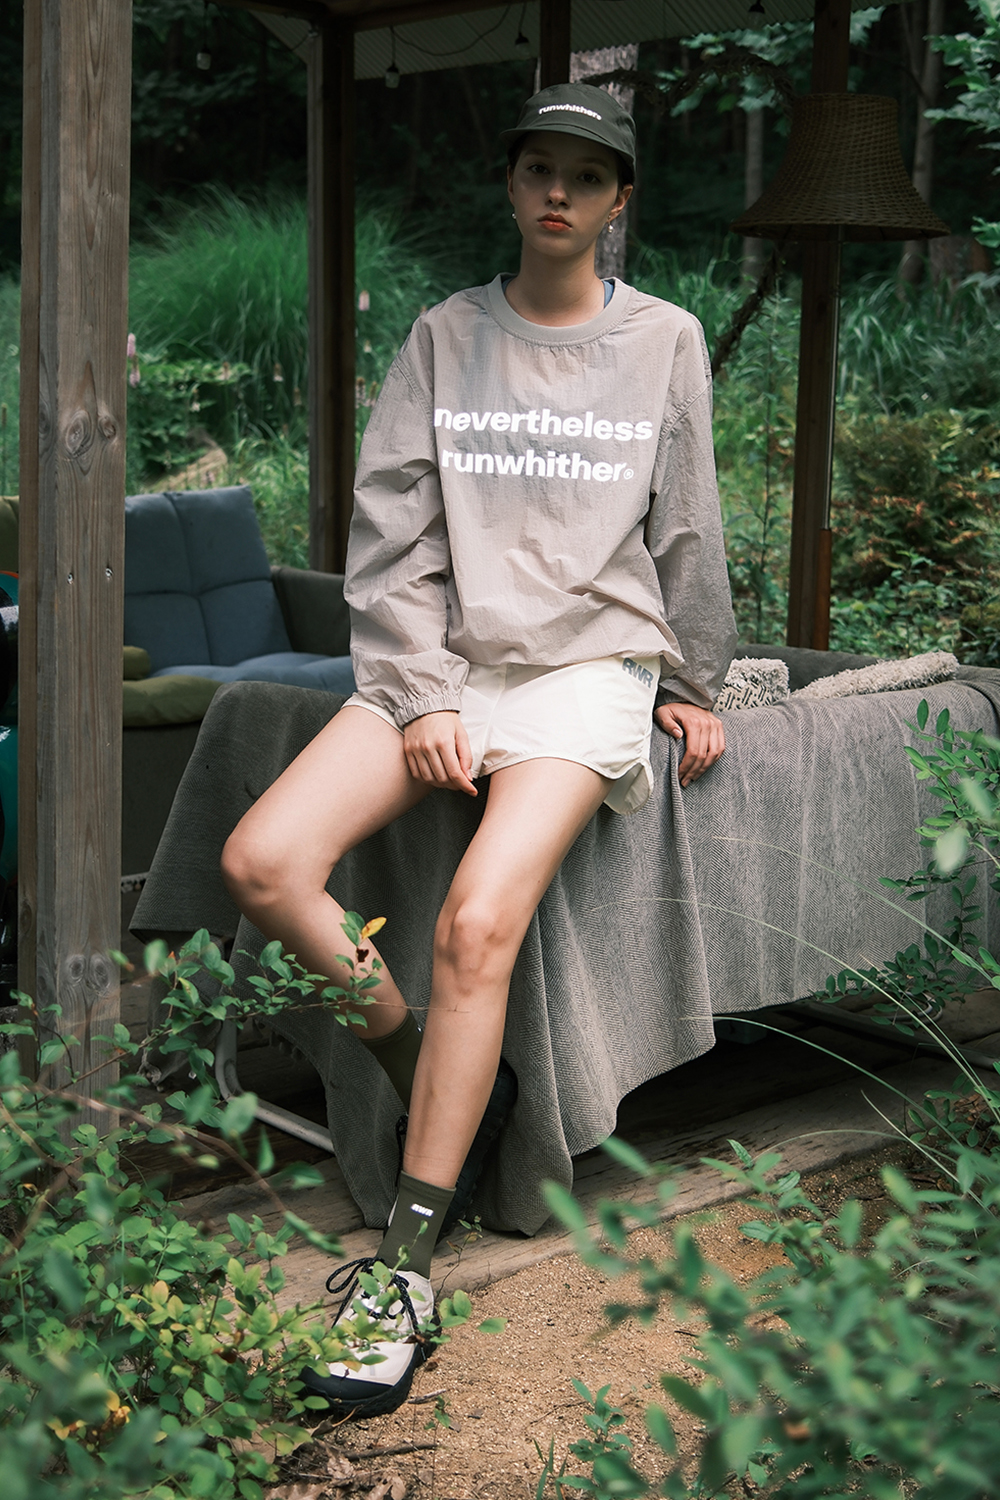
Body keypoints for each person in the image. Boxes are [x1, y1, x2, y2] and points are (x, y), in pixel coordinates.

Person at [220, 81, 736, 1420]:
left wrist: (694, 680)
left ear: (618, 203)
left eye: (587, 175)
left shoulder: (666, 340)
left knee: (474, 924)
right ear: (510, 185)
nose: (560, 192)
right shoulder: (447, 335)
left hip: (586, 672)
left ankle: (404, 1269)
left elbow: (686, 525)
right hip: (449, 663)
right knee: (264, 861)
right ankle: (433, 1074)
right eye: (538, 168)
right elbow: (391, 528)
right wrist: (420, 692)